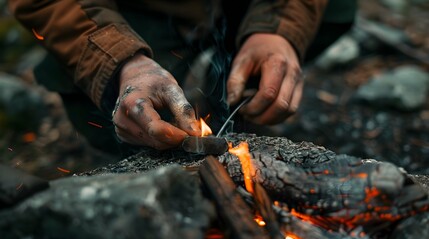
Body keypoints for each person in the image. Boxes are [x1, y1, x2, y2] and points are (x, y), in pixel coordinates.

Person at [9, 0, 356, 157]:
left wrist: (279, 29)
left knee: (336, 8)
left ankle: (235, 92)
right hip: (134, 9)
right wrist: (119, 62)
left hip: (241, 5)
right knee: (111, 114)